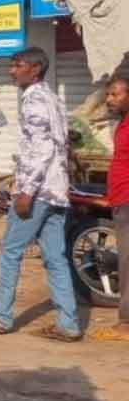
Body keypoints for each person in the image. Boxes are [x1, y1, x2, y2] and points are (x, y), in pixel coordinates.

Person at [0, 46, 81, 341]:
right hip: (57, 190)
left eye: (17, 65)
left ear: (34, 69)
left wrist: (26, 192)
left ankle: (1, 316)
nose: (11, 70)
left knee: (10, 252)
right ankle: (68, 324)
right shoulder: (53, 98)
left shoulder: (34, 101)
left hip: (39, 190)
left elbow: (40, 150)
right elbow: (61, 145)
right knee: (55, 258)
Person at [92, 76, 129, 341]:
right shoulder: (122, 124)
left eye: (115, 94)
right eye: (109, 95)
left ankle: (126, 324)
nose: (109, 99)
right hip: (120, 199)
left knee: (127, 262)